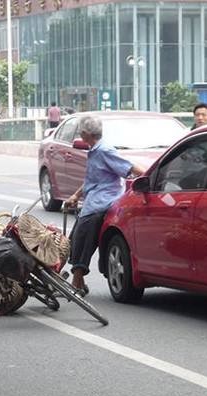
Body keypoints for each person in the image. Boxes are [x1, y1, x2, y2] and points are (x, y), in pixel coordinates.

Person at [65, 115, 145, 293]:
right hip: (92, 202)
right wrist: (76, 196)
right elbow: (93, 180)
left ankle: (76, 281)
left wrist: (150, 177)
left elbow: (129, 167)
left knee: (83, 240)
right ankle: (79, 281)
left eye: (80, 132)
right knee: (74, 240)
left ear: (86, 134)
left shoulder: (104, 150)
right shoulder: (94, 151)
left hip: (102, 204)